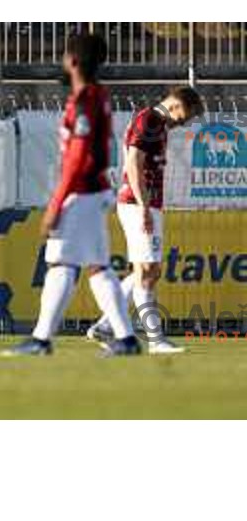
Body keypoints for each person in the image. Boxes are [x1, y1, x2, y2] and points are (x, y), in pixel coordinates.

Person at [3, 34, 140, 357]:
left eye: (65, 56)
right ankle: (126, 338)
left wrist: (56, 203)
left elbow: (78, 158)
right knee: (98, 267)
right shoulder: (96, 96)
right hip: (94, 192)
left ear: (74, 60)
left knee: (61, 263)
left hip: (81, 193)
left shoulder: (84, 101)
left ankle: (41, 340)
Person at [87, 86, 204, 354]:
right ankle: (155, 340)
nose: (185, 121)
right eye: (188, 114)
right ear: (176, 104)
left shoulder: (158, 124)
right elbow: (132, 163)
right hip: (137, 203)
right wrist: (143, 207)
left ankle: (105, 325)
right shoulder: (149, 120)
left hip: (146, 204)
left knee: (148, 270)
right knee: (147, 272)